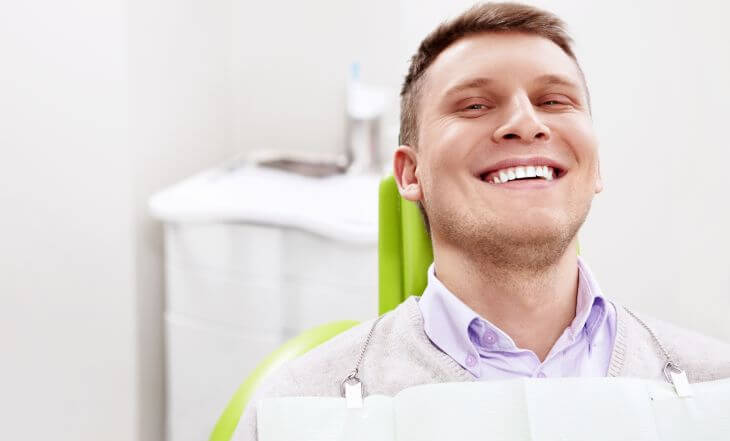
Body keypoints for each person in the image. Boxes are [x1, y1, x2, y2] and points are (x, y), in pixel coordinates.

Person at [233, 3, 730, 439]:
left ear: (595, 164)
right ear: (410, 173)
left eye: (554, 101)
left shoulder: (717, 387)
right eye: (474, 105)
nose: (526, 122)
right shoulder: (298, 412)